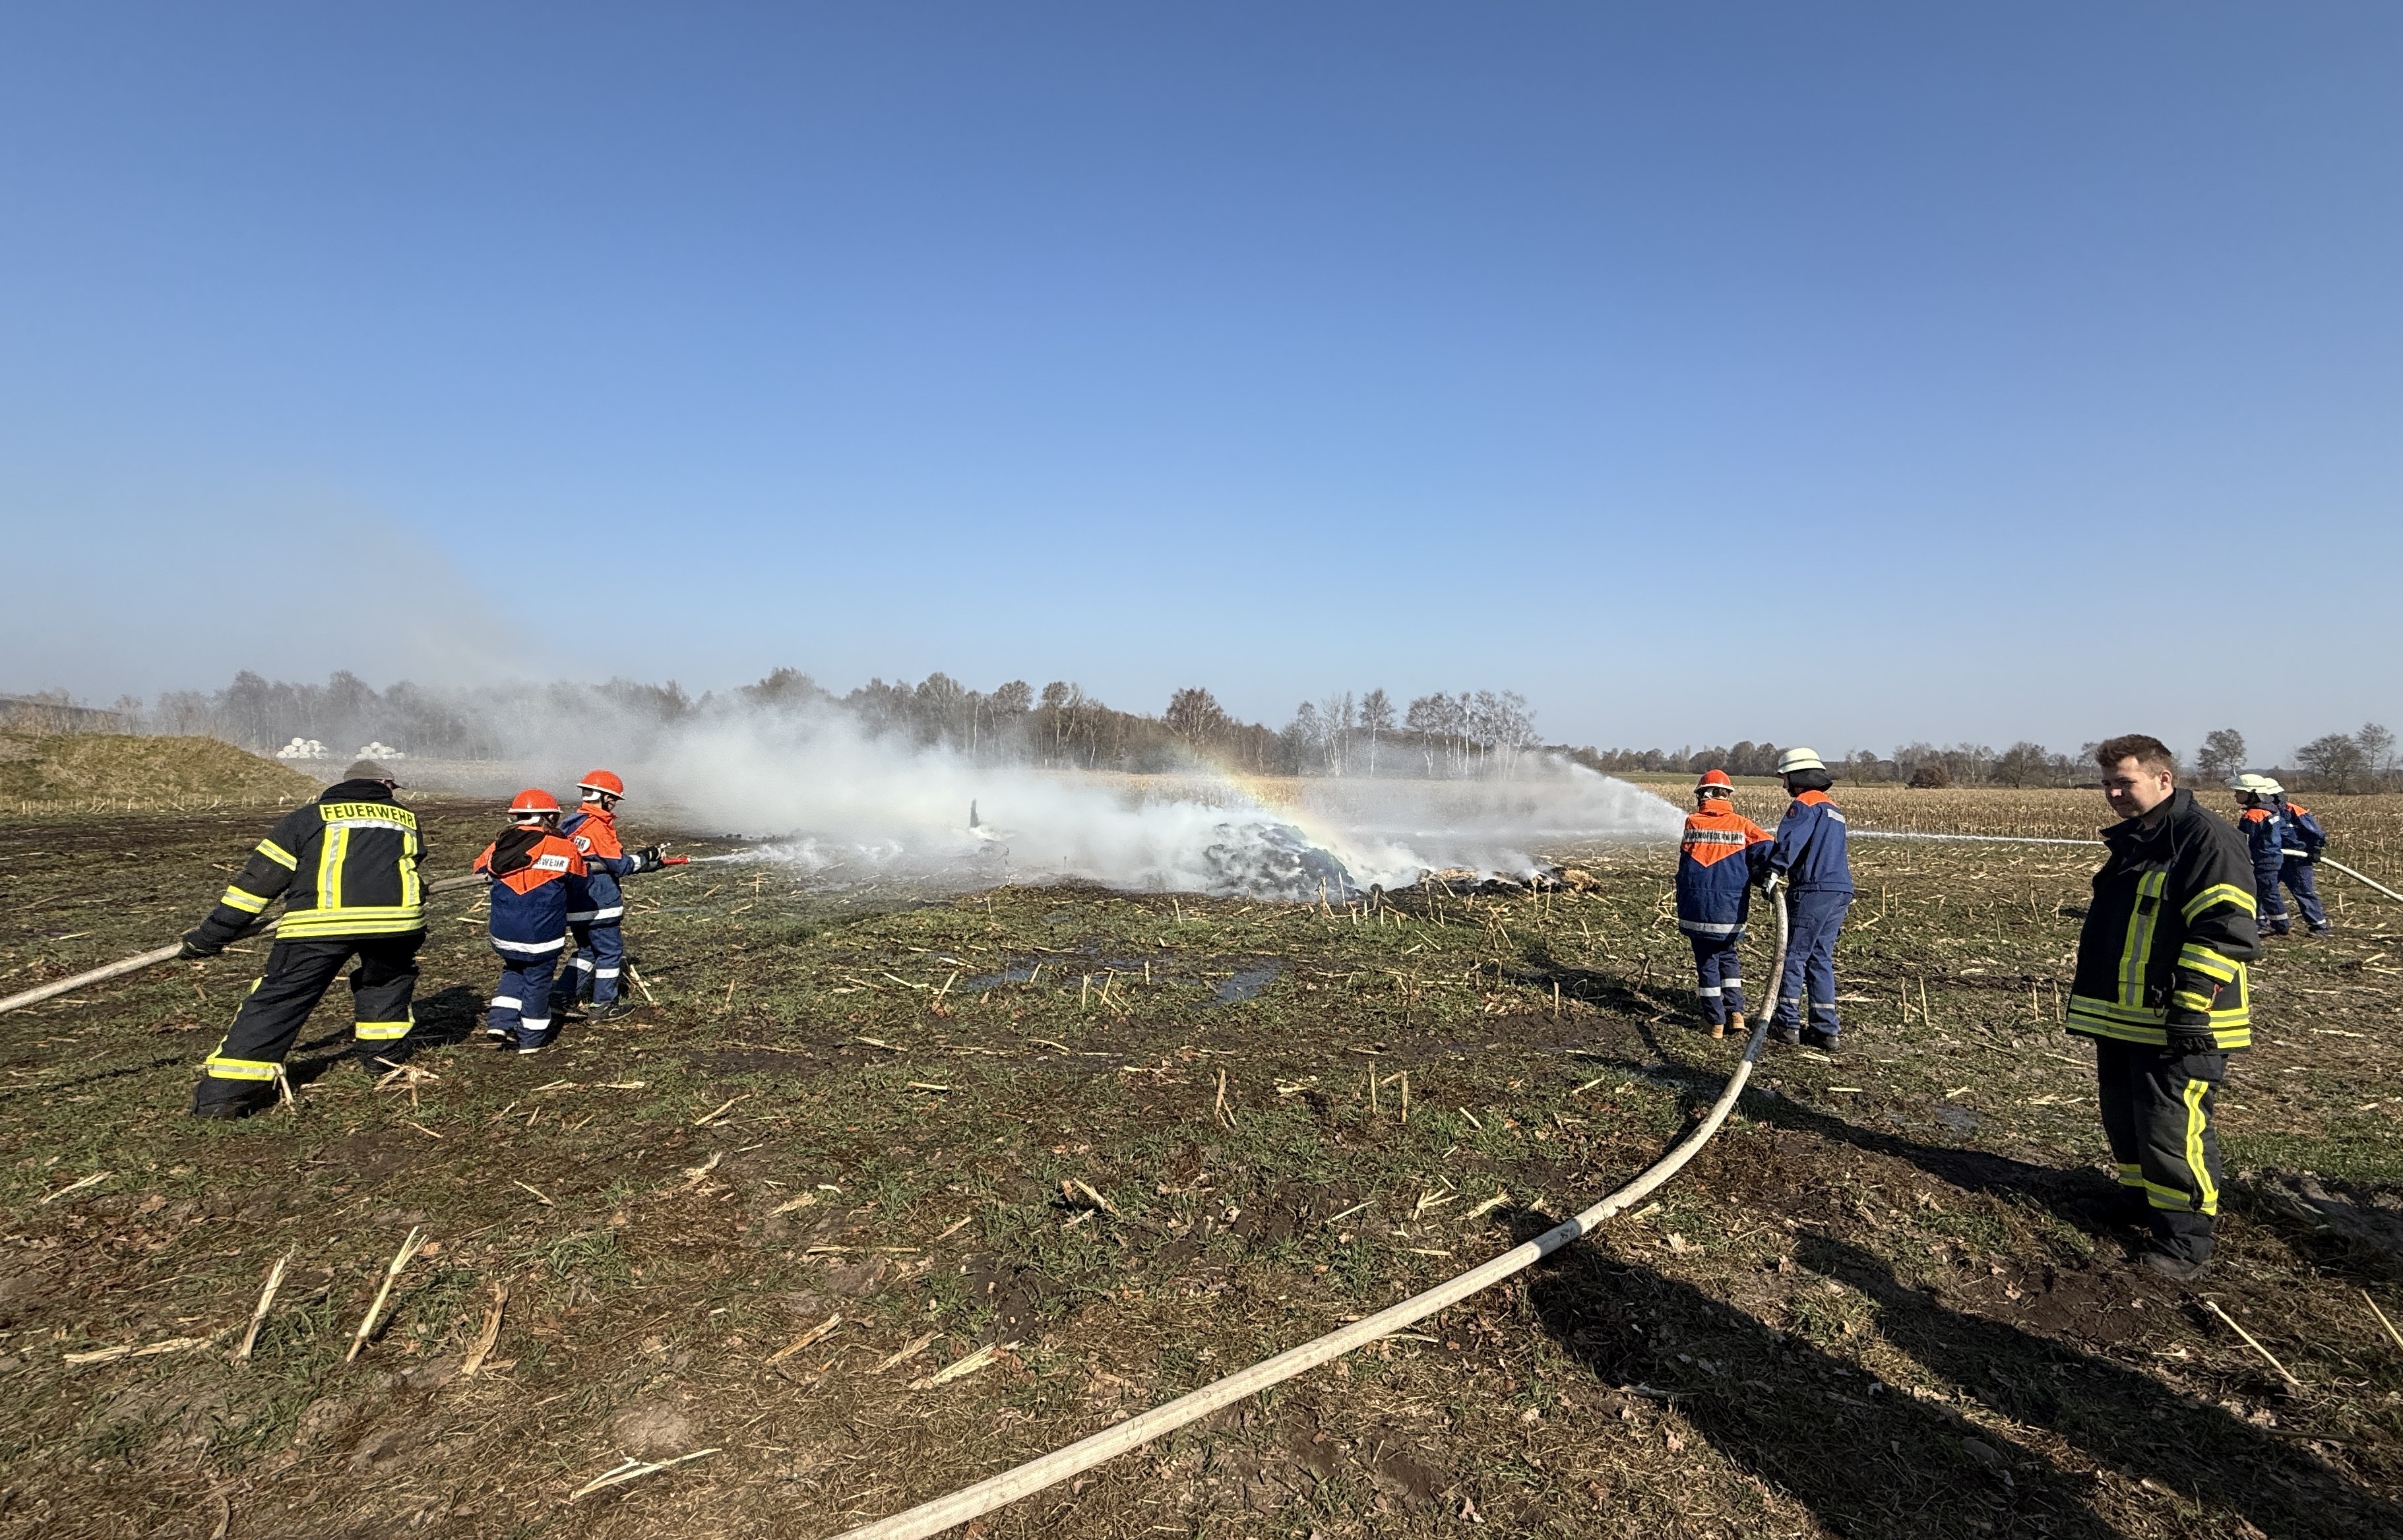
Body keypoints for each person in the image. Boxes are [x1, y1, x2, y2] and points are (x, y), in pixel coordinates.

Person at [2067, 735, 2259, 1281]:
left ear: (2163, 779)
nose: (2113, 793)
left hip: (2179, 1022)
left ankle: (2184, 1238)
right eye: (2106, 783)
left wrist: (2190, 1008)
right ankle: (2138, 1201)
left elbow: (2225, 929)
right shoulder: (2139, 838)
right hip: (2125, 1017)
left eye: (2124, 782)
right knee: (2126, 1118)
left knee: (2171, 1128)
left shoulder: (2206, 839)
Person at [177, 760, 425, 1118]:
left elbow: (258, 883)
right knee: (385, 984)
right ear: (385, 783)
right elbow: (406, 869)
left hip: (318, 928)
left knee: (281, 1000)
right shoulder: (406, 819)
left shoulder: (307, 818)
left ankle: (223, 1098)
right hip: (397, 924)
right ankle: (383, 1060)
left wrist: (211, 935)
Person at [472, 789, 586, 1055]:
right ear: (551, 818)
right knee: (537, 981)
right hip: (542, 934)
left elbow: (479, 868)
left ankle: (500, 1021)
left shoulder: (499, 845)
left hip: (504, 932)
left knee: (513, 970)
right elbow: (581, 882)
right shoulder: (563, 847)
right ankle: (531, 1039)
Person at [549, 769, 668, 1023]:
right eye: (611, 798)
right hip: (600, 903)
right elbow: (620, 865)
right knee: (610, 953)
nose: (614, 803)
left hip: (574, 903)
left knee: (587, 951)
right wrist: (646, 858)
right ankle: (603, 1006)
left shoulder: (571, 825)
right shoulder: (597, 827)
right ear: (600, 797)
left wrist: (646, 863)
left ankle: (560, 996)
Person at [1759, 747, 1853, 1051]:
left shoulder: (1804, 804)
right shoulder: (1832, 808)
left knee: (1793, 956)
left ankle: (1786, 1024)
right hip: (1839, 890)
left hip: (1813, 890)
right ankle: (1825, 1030)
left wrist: (1773, 870)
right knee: (1819, 957)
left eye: (1785, 778)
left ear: (1798, 777)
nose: (1784, 786)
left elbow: (1791, 842)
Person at [1675, 769, 1774, 1039]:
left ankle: (1714, 1021)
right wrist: (1760, 873)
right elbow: (1767, 847)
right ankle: (1736, 1013)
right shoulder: (1742, 824)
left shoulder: (1692, 823)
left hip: (1697, 909)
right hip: (1730, 909)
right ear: (1727, 796)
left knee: (1707, 962)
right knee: (1728, 956)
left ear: (1703, 795)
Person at [2230, 774, 2293, 935]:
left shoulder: (2253, 815)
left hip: (2262, 860)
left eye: (2239, 792)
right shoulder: (2271, 811)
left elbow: (2244, 840)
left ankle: (2281, 925)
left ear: (2253, 794)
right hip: (2271, 858)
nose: (2235, 795)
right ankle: (2260, 921)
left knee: (2269, 893)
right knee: (2260, 891)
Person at [2274, 782, 2332, 935]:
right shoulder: (2261, 813)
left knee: (2303, 891)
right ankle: (2264, 923)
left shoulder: (2294, 811)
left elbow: (2315, 832)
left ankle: (2318, 927)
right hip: (2273, 857)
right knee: (2264, 890)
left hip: (2297, 860)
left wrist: (2315, 849)